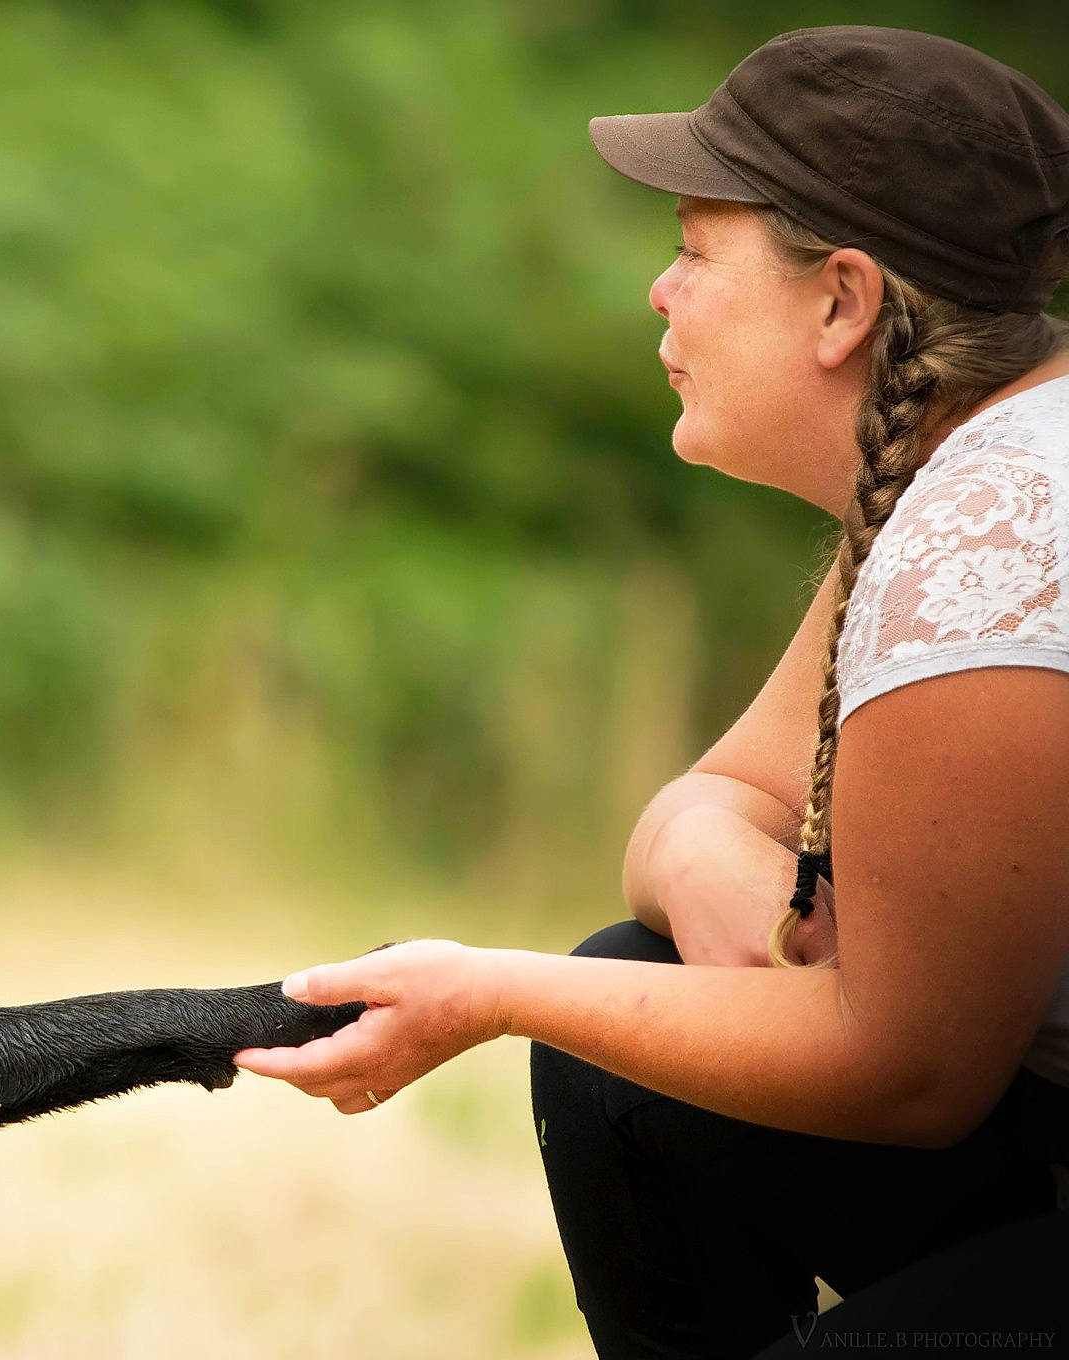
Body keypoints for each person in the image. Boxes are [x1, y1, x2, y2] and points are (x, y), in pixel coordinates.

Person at [235, 26, 1069, 1358]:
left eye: (693, 246)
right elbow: (710, 802)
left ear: (843, 302)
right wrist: (712, 867)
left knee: (592, 1012)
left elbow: (911, 1073)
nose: (659, 294)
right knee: (624, 1015)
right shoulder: (954, 478)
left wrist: (489, 991)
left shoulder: (999, 548)